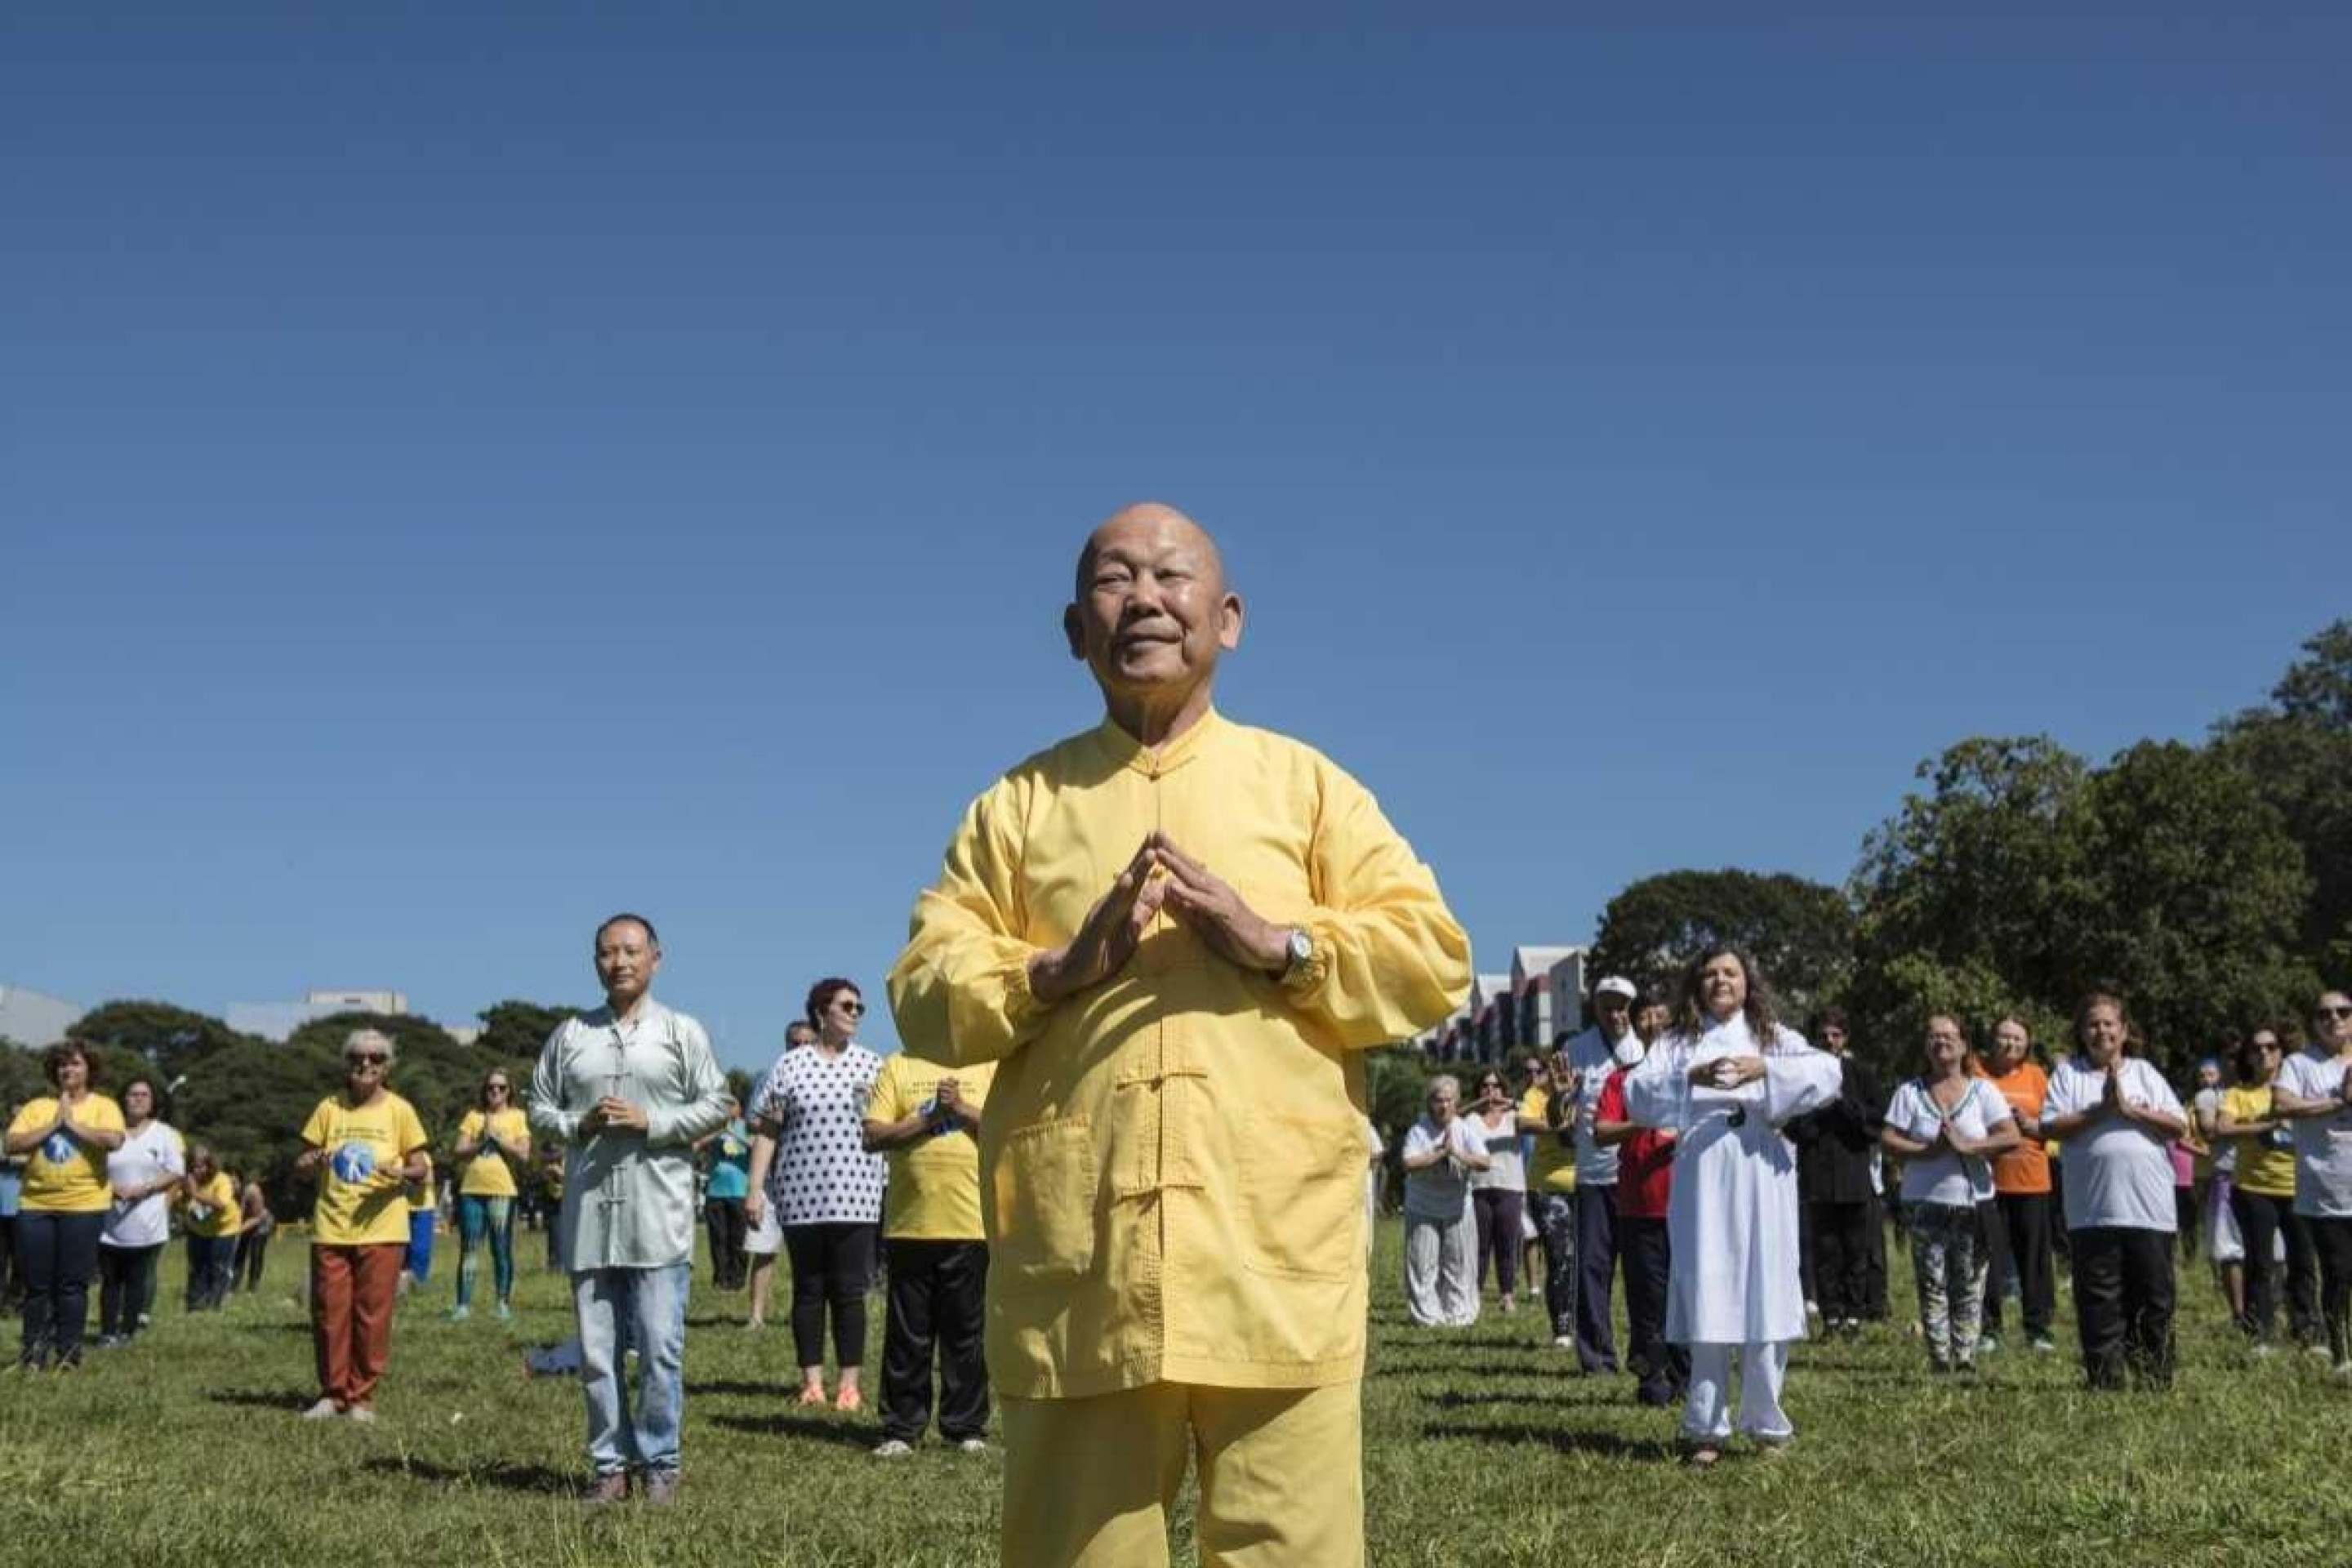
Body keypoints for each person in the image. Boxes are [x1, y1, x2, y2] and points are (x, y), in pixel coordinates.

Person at [886, 504, 1469, 1567]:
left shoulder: (1306, 788)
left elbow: (1431, 957)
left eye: (1170, 576)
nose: (1144, 599)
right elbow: (926, 986)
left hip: (1274, 1256)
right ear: (1074, 628)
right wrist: (1059, 970)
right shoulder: (1018, 805)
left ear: (1229, 617)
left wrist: (1280, 942)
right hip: (1086, 1266)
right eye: (1114, 580)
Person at [528, 912, 731, 1506]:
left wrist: (655, 1122)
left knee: (661, 1348)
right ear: (595, 962)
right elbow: (538, 1106)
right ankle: (609, 1466)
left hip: (657, 1214)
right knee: (597, 1354)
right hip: (591, 1218)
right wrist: (576, 1122)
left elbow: (719, 1103)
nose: (619, 962)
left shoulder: (680, 1031)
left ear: (655, 959)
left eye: (630, 951)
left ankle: (661, 1462)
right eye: (607, 952)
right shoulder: (571, 1035)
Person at [1621, 947, 1841, 1466]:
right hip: (1703, 1167)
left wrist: (1763, 1070)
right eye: (1711, 974)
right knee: (1708, 1285)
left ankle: (1766, 1421)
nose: (1721, 981)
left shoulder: (1772, 1037)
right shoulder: (1677, 1042)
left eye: (1731, 973)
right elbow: (1635, 1094)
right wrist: (1691, 1078)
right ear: (1697, 985)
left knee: (1765, 1285)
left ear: (1748, 982)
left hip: (1762, 1167)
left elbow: (1829, 1073)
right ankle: (1705, 1425)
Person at [745, 980, 886, 1411]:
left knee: (849, 1290)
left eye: (860, 1007)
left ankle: (848, 1384)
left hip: (858, 1195)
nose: (856, 1013)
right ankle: (811, 1381)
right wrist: (755, 1190)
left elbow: (886, 1127)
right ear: (821, 1012)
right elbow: (768, 1131)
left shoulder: (872, 1066)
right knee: (808, 1290)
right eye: (847, 1005)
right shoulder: (790, 1066)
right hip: (800, 1196)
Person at [2039, 991, 2188, 1391]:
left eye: (2109, 1023)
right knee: (2099, 1299)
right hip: (2093, 1210)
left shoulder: (2145, 1073)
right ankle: (2105, 1382)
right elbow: (2049, 1127)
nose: (2101, 1030)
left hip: (2149, 1209)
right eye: (2093, 1024)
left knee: (2153, 1299)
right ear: (2082, 1032)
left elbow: (2179, 1126)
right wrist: (2099, 1112)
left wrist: (2131, 1110)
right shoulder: (2068, 1075)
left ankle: (2155, 1379)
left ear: (2123, 1032)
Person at [862, 1051, 996, 1457]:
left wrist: (960, 1109)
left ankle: (966, 1427)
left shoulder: (987, 1064)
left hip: (971, 1222)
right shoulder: (899, 1065)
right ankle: (901, 1429)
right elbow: (873, 1136)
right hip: (910, 1224)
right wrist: (929, 1117)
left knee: (967, 1335)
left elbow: (1007, 1130)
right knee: (907, 1335)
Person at [295, 1028, 430, 1419]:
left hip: (383, 1227)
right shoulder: (328, 1109)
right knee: (329, 1313)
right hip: (331, 1226)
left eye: (374, 1058)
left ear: (387, 1067)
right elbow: (301, 1164)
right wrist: (313, 1160)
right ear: (346, 1064)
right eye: (357, 1057)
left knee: (372, 1313)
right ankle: (332, 1393)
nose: (365, 1064)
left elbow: (421, 1167)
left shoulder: (400, 1110)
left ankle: (361, 1395)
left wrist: (400, 1170)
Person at [1880, 1017, 2019, 1373]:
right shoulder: (1909, 1092)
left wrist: (1970, 1145)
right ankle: (1940, 1357)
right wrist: (1927, 1150)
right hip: (1923, 1202)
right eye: (1933, 1036)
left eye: (1948, 1036)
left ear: (1963, 1045)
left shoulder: (1983, 1091)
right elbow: (1888, 1138)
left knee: (1970, 1281)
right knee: (1932, 1281)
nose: (1941, 1042)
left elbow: (2010, 1136)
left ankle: (1967, 1356)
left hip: (1971, 1202)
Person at [5, 1041, 127, 1370]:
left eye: (75, 1064)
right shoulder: (37, 1107)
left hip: (84, 1206)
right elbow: (13, 1142)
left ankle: (68, 1355)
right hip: (36, 1204)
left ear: (89, 1070)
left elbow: (114, 1140)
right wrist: (53, 1125)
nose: (67, 1070)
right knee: (36, 1285)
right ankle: (32, 1354)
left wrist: (72, 1124)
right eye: (62, 1065)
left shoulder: (103, 1106)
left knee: (71, 1284)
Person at [1553, 975, 1642, 1373]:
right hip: (1593, 1177)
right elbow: (1559, 1124)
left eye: (1622, 1004)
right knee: (1592, 1268)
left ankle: (1645, 1354)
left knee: (1643, 1270)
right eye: (1607, 1004)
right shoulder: (1575, 1050)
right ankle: (1597, 1358)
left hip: (1640, 1177)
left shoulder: (1647, 1048)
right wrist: (1558, 1099)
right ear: (1595, 1006)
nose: (1615, 1012)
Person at [1592, 1040, 1686, 1405]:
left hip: (1691, 1207)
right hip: (1640, 1206)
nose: (1657, 1030)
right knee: (1648, 1299)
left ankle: (1689, 1378)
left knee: (1690, 1298)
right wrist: (1646, 1119)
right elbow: (1602, 1132)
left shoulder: (1694, 1079)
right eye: (1647, 1020)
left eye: (1665, 1022)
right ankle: (1652, 1379)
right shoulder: (1623, 1081)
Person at [1784, 1009, 1882, 1340]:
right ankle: (1831, 1314)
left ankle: (1855, 1313)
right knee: (1825, 1250)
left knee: (1856, 1248)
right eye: (1824, 1036)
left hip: (1854, 1173)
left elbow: (1876, 1122)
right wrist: (1818, 1112)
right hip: (1818, 1176)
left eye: (1836, 1035)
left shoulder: (1861, 1074)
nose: (1830, 1042)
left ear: (1846, 1039)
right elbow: (1793, 1125)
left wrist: (1844, 1105)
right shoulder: (1803, 1075)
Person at [2216, 1029, 2314, 1351]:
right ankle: (2263, 1334)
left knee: (2303, 1261)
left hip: (2298, 1186)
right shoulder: (2238, 1094)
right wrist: (2268, 1125)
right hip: (2254, 1187)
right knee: (2260, 1262)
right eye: (2256, 1049)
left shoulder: (2299, 1089)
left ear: (2282, 1053)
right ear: (2247, 1056)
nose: (2264, 1054)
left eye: (2271, 1047)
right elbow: (2222, 1128)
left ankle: (2309, 1330)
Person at [2270, 989, 2352, 1374]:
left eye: (2342, 1011)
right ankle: (2343, 1354)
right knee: (2339, 1273)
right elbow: (2283, 1105)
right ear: (2313, 1021)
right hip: (2325, 1191)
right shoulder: (2300, 1064)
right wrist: (2339, 1102)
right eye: (2324, 1013)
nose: (2334, 1019)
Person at [1975, 1017, 2058, 1353]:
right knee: (1987, 1258)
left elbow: (2053, 1125)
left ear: (2027, 1044)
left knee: (2034, 1260)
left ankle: (2038, 1329)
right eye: (2004, 1037)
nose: (2010, 1044)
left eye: (2018, 1039)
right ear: (1992, 1039)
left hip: (2032, 1179)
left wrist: (2029, 1124)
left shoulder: (2037, 1075)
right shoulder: (1976, 1071)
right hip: (1987, 1181)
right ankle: (1988, 1330)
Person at [740, 1019, 819, 1329]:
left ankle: (808, 1315)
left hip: (811, 1180)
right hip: (772, 1177)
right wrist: (779, 1122)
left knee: (810, 1256)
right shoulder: (770, 1075)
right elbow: (751, 1121)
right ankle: (756, 1315)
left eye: (805, 1043)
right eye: (794, 1042)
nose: (799, 1048)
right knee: (763, 1249)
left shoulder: (825, 1078)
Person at [96, 1076, 182, 1348]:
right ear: (123, 1098)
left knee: (136, 1279)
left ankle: (128, 1331)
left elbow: (175, 1171)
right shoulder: (109, 1131)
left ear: (153, 1101)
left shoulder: (164, 1134)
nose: (137, 1099)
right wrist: (111, 1189)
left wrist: (144, 1189)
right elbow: (92, 1168)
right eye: (132, 1094)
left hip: (147, 1219)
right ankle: (107, 1331)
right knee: (110, 1280)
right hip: (109, 1218)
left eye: (144, 1095)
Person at [1401, 1076, 1490, 1327]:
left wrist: (1457, 1154)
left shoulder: (1465, 1129)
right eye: (1438, 1100)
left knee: (1459, 1263)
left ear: (1456, 1102)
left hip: (1458, 1207)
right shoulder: (1419, 1130)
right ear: (1429, 1103)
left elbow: (1484, 1162)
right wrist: (1440, 1154)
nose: (1443, 1106)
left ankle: (1459, 1314)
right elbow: (1409, 1163)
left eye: (1448, 1100)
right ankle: (1427, 1316)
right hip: (1423, 1206)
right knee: (1422, 1263)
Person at [450, 1067, 531, 1321]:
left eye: (501, 1088)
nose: (496, 1092)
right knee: (470, 1247)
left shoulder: (518, 1116)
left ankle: (502, 1304)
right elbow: (459, 1149)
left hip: (502, 1191)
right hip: (471, 1189)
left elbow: (524, 1154)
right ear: (484, 1091)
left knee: (501, 1248)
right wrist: (480, 1141)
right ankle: (463, 1306)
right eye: (491, 1087)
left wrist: (497, 1139)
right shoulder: (473, 1116)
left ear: (509, 1092)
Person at [1525, 1036, 1579, 1348]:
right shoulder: (1538, 1091)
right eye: (1561, 1056)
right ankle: (1562, 1325)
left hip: (1589, 1183)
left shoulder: (1593, 1086)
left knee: (1585, 1259)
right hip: (1548, 1185)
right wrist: (1556, 1121)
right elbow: (1523, 1123)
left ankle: (1586, 1321)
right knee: (1560, 1256)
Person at [1465, 1069, 1526, 1313]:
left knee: (1507, 1243)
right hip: (1479, 1187)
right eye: (1485, 1086)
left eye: (1496, 1086)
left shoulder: (1514, 1116)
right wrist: (1478, 1104)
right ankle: (1475, 1292)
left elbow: (1534, 1110)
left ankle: (1507, 1294)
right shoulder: (1472, 1119)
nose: (1491, 1091)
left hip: (1509, 1185)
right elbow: (1452, 1117)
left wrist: (1508, 1102)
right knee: (1479, 1244)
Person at [697, 1099, 753, 1294]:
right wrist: (721, 1130)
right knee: (718, 1238)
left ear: (740, 1108)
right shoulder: (714, 1128)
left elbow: (756, 1146)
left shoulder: (747, 1127)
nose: (728, 1108)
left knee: (738, 1238)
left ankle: (737, 1280)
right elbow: (697, 1145)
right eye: (725, 1104)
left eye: (733, 1104)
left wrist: (735, 1135)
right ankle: (721, 1279)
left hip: (739, 1191)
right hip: (715, 1191)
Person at [178, 1145, 242, 1312]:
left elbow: (221, 1203)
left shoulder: (222, 1180)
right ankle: (195, 1304)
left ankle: (215, 1305)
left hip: (224, 1230)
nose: (196, 1171)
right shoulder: (187, 1182)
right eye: (192, 1167)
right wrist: (185, 1196)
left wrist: (195, 1194)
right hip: (198, 1230)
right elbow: (181, 1205)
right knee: (197, 1267)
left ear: (210, 1165)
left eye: (200, 1166)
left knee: (218, 1267)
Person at [401, 1155, 439, 1297]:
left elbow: (429, 1179)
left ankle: (418, 1284)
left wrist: (403, 1176)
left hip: (423, 1208)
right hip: (400, 1208)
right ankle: (401, 1288)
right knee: (401, 1252)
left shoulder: (424, 1157)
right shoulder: (395, 1155)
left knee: (421, 1250)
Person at [234, 1172, 274, 1293]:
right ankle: (233, 1286)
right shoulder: (228, 1191)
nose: (231, 1184)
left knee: (256, 1255)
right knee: (239, 1255)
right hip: (245, 1223)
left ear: (241, 1181)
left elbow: (258, 1217)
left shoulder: (252, 1191)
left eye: (234, 1182)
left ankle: (253, 1288)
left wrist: (237, 1230)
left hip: (262, 1223)